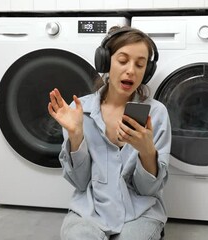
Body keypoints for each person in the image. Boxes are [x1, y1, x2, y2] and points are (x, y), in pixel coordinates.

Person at [47, 26, 172, 240]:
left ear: (147, 71)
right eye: (123, 61)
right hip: (89, 212)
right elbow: (79, 182)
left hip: (139, 212)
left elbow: (148, 190)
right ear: (105, 62)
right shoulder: (79, 111)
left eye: (140, 64)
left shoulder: (156, 114)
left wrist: (146, 151)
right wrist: (76, 136)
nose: (131, 70)